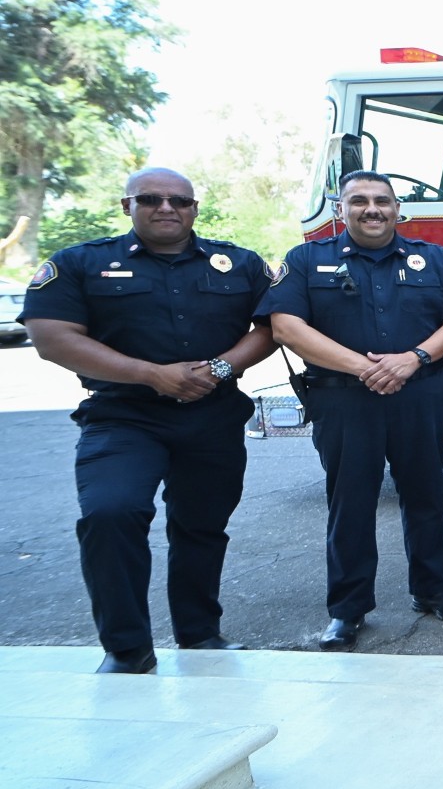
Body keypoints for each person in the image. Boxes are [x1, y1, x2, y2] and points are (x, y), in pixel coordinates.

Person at [22, 168, 275, 673]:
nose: (166, 208)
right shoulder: (81, 263)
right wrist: (152, 375)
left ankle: (200, 634)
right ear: (127, 206)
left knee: (201, 527)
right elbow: (51, 336)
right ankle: (127, 649)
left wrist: (223, 367)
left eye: (179, 201)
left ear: (194, 208)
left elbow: (274, 325)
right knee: (109, 514)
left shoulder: (238, 264)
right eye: (151, 199)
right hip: (122, 417)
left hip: (212, 415)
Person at [261, 169, 443, 649]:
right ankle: (348, 609)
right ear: (341, 209)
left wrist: (412, 359)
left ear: (398, 209)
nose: (372, 209)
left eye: (382, 200)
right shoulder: (305, 260)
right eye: (358, 201)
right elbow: (285, 327)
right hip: (343, 400)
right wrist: (365, 367)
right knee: (350, 503)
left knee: (425, 496)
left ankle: (432, 589)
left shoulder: (434, 259)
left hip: (417, 393)